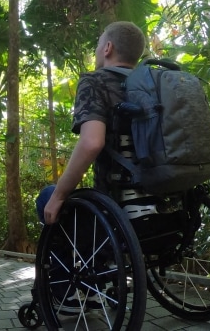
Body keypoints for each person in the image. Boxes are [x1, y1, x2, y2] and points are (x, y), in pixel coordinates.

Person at [37, 21, 146, 226]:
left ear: (108, 48)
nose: (96, 50)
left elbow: (92, 143)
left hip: (115, 207)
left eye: (98, 45)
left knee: (47, 196)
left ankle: (68, 258)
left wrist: (59, 195)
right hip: (166, 200)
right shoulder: (154, 87)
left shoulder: (95, 81)